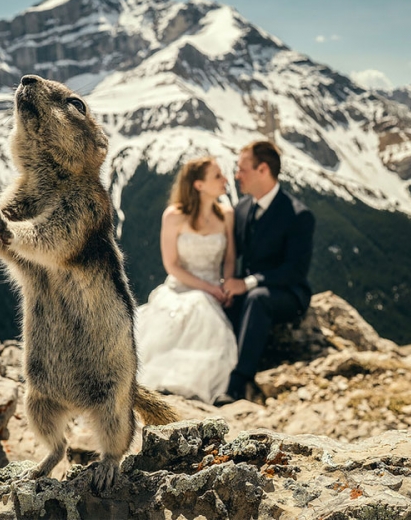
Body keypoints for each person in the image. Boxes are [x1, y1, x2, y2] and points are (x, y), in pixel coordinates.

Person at [217, 141, 315, 405]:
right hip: (251, 291)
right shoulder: (242, 209)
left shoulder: (298, 215)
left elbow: (295, 270)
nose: (237, 175)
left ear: (263, 169)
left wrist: (247, 283)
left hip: (288, 293)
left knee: (257, 298)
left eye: (242, 169)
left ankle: (238, 384)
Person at [135, 157, 239, 404]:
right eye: (217, 176)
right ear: (198, 185)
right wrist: (209, 289)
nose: (226, 180)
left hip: (215, 288)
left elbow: (230, 257)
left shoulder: (226, 214)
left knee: (204, 315)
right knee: (189, 309)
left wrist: (225, 285)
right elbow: (171, 264)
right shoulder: (173, 216)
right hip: (181, 287)